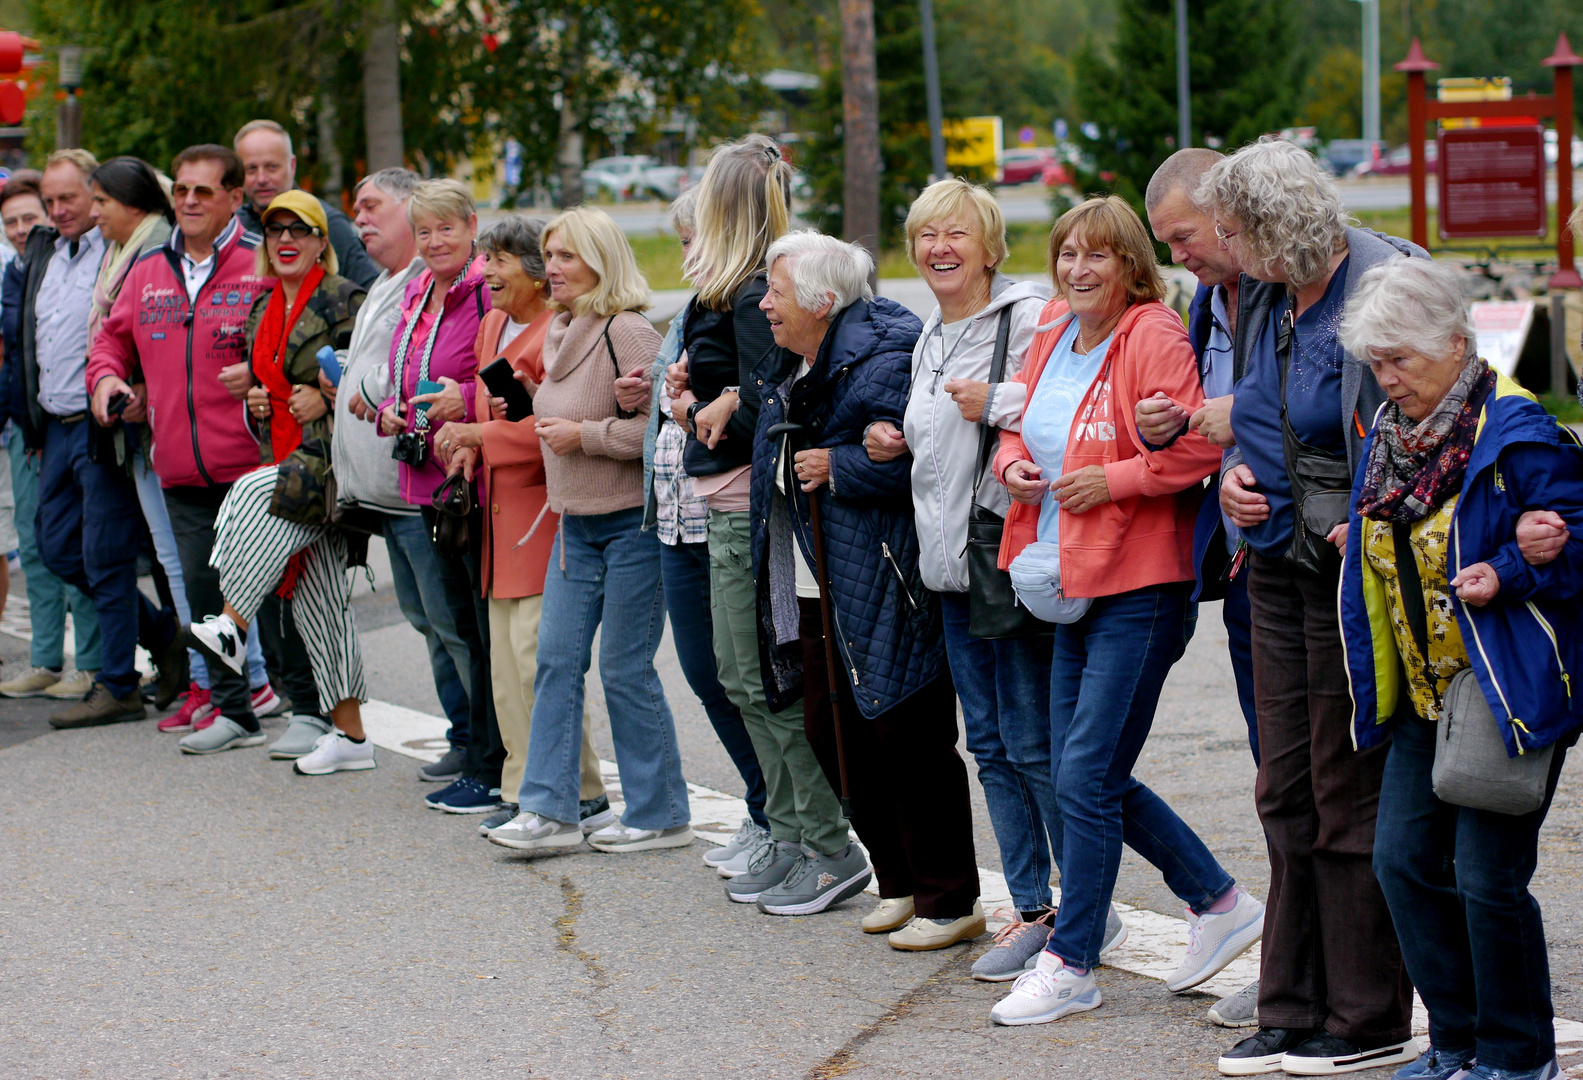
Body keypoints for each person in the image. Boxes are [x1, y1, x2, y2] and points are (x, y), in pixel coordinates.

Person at [988, 196, 1263, 1027]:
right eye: (1067, 253)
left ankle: (1071, 962)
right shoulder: (1047, 331)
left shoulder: (1151, 333)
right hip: (1067, 578)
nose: (1077, 269)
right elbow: (1013, 430)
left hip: (1138, 585)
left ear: (1130, 267)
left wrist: (1111, 480)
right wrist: (1012, 471)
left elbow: (1195, 446)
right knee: (1088, 771)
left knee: (1082, 773)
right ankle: (1216, 902)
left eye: (1097, 256)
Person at [1205, 137, 1422, 1076]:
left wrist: (1366, 518)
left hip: (1351, 572)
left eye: (1233, 227)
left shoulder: (1382, 279)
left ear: (1274, 224)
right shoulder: (1260, 290)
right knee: (1281, 787)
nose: (1220, 244)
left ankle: (1365, 1015)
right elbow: (1251, 414)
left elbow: (1437, 415)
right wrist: (1229, 479)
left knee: (1344, 793)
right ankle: (1288, 1005)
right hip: (1275, 563)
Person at [1335, 258, 1580, 1080]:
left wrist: (1515, 568)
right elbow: (1392, 532)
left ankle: (1516, 1057)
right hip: (1421, 691)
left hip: (1500, 691)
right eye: (1374, 362)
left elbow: (1574, 546)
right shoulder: (1392, 437)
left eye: (1399, 358)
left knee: (1486, 882)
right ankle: (1458, 1040)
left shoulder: (1517, 433)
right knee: (1401, 865)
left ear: (1454, 342)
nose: (1386, 377)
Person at [864, 178, 1078, 963]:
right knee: (988, 744)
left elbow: (1065, 404)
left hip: (1008, 561)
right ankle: (1030, 907)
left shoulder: (1026, 318)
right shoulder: (929, 333)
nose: (938, 248)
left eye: (956, 234)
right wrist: (899, 439)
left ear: (990, 247)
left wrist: (996, 400)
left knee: (1030, 743)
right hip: (947, 572)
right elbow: (937, 441)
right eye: (925, 235)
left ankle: (1080, 908)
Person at [752, 228, 979, 931]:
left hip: (882, 579)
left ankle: (947, 900)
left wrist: (837, 465)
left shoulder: (881, 355)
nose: (764, 305)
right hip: (817, 579)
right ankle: (899, 882)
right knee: (833, 735)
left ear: (821, 301)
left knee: (907, 739)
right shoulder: (795, 359)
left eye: (776, 292)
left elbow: (913, 455)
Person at [486, 206, 692, 855]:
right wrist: (527, 402)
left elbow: (666, 434)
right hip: (574, 528)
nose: (552, 267)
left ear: (600, 260)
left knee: (623, 669)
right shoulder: (561, 330)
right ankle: (549, 811)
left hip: (630, 527)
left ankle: (660, 815)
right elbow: (561, 411)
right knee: (555, 662)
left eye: (566, 256)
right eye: (549, 255)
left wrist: (588, 436)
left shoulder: (627, 331)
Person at [88, 144, 278, 747]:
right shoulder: (148, 271)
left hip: (252, 463)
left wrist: (262, 373)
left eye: (203, 191)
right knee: (200, 595)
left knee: (270, 592)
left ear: (233, 200)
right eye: (182, 192)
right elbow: (109, 343)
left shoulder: (262, 261)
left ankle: (311, 710)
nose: (190, 201)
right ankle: (234, 712)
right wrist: (109, 380)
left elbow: (299, 338)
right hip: (178, 466)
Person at [1134, 147, 1263, 1030]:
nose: (1175, 254)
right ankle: (1300, 953)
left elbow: (1316, 404)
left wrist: (1233, 429)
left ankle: (1332, 964)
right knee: (1278, 779)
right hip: (1242, 558)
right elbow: (1199, 422)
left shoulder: (1284, 289)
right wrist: (1166, 425)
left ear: (1225, 214)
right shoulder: (1203, 302)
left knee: (1311, 777)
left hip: (1305, 555)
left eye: (1180, 236)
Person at [431, 215, 610, 835]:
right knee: (506, 666)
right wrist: (467, 447)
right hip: (493, 519)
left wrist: (483, 434)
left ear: (536, 273)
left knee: (538, 659)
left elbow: (548, 432)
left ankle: (574, 788)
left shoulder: (552, 333)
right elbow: (491, 414)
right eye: (486, 259)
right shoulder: (489, 327)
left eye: (500, 260)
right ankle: (525, 785)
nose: (486, 272)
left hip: (537, 517)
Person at [183, 190, 367, 769]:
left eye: (299, 230)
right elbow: (269, 382)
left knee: (244, 495)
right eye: (275, 231)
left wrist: (328, 396)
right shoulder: (261, 306)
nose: (286, 240)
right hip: (283, 452)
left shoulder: (343, 298)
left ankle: (232, 623)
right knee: (321, 604)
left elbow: (370, 381)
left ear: (320, 242)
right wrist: (262, 400)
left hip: (329, 463)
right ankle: (353, 739)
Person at [619, 188, 771, 871]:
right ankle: (762, 805)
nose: (686, 254)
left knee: (745, 681)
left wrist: (686, 402)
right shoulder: (691, 312)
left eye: (693, 239)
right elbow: (677, 400)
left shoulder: (751, 304)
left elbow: (746, 403)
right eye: (681, 241)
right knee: (707, 678)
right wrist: (657, 391)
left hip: (725, 513)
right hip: (676, 520)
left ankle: (781, 817)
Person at [331, 168, 475, 783]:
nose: (360, 220)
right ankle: (467, 735)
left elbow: (423, 371)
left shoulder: (431, 281)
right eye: (355, 209)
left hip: (426, 482)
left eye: (372, 208)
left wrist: (365, 388)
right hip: (393, 486)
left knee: (449, 620)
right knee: (427, 619)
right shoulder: (395, 283)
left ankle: (478, 741)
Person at [28, 148, 179, 728]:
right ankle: (163, 634)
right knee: (57, 547)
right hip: (56, 426)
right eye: (54, 201)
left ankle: (118, 683)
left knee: (106, 556)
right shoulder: (49, 252)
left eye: (76, 198)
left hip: (103, 424)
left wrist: (132, 386)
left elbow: (135, 330)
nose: (65, 210)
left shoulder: (127, 250)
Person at [370, 178, 501, 813]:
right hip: (425, 474)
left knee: (474, 628)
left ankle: (489, 760)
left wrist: (462, 400)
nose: (434, 241)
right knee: (453, 623)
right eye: (423, 231)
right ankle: (475, 749)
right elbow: (408, 371)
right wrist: (393, 409)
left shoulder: (484, 290)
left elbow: (495, 377)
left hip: (470, 480)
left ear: (473, 226)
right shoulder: (419, 289)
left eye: (446, 227)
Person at [0, 172, 103, 700]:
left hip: (77, 421)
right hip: (27, 423)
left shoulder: (75, 259)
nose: (21, 228)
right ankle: (45, 659)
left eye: (30, 217)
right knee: (36, 544)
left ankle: (89, 661)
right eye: (12, 220)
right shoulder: (19, 271)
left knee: (80, 544)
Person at [232, 119, 378, 289]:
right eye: (251, 169)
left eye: (272, 167)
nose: (262, 178)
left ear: (292, 165)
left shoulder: (328, 224)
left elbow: (371, 294)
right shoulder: (232, 227)